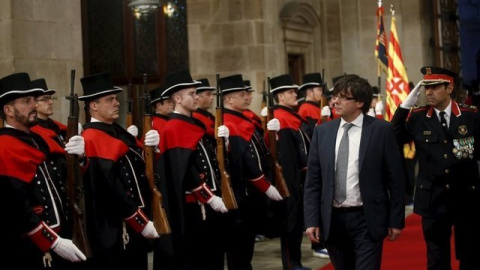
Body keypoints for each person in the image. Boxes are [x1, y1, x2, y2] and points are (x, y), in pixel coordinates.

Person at [304, 74, 405, 270]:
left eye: (343, 97)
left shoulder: (381, 130)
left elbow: (396, 179)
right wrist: (311, 220)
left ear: (360, 102)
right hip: (332, 220)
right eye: (335, 96)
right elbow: (313, 182)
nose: (336, 101)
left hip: (367, 218)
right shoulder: (322, 132)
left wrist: (396, 219)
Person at [391, 66, 480, 270]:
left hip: (466, 197)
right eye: (426, 88)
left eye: (435, 87)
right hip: (433, 198)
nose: (428, 92)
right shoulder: (418, 117)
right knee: (436, 257)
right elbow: (393, 137)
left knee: (470, 254)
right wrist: (405, 106)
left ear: (449, 88)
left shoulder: (470, 116)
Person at [0, 72, 87, 269]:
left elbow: (67, 177)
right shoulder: (4, 146)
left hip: (62, 235)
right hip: (32, 246)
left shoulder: (39, 140)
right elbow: (17, 206)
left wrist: (80, 157)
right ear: (8, 110)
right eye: (26, 101)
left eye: (33, 100)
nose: (33, 105)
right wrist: (52, 241)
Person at [78, 71, 160, 269]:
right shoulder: (91, 137)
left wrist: (153, 149)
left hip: (134, 225)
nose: (117, 103)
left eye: (115, 98)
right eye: (110, 99)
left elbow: (141, 170)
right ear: (93, 106)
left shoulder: (117, 131)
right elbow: (111, 187)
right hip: (115, 229)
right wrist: (139, 221)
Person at [155, 69, 229, 270]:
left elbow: (210, 160)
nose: (196, 97)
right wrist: (209, 197)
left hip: (209, 203)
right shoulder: (173, 128)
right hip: (195, 208)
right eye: (191, 93)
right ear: (178, 98)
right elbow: (185, 171)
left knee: (214, 257)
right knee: (199, 258)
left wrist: (224, 142)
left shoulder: (194, 122)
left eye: (196, 93)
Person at [219, 74, 283, 270]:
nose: (247, 97)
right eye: (241, 94)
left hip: (251, 194)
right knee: (239, 249)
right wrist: (265, 186)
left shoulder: (242, 119)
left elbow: (258, 151)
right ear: (228, 99)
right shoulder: (229, 122)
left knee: (246, 247)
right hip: (242, 192)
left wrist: (270, 135)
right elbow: (243, 160)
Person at [266, 74, 311, 270]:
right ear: (280, 97)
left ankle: (296, 261)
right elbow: (284, 156)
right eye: (291, 92)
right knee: (289, 223)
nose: (295, 94)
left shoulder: (290, 116)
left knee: (296, 222)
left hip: (298, 178)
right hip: (289, 178)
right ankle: (291, 263)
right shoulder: (281, 118)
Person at [30, 78, 68, 147]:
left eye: (50, 98)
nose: (51, 102)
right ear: (34, 103)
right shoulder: (32, 131)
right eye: (45, 99)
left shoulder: (57, 126)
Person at [297, 72, 330, 138]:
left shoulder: (317, 106)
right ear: (309, 92)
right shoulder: (306, 109)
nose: (322, 93)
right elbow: (312, 132)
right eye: (319, 90)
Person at [192, 78, 216, 147]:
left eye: (212, 94)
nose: (212, 97)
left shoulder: (210, 116)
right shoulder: (195, 117)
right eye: (208, 94)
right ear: (198, 97)